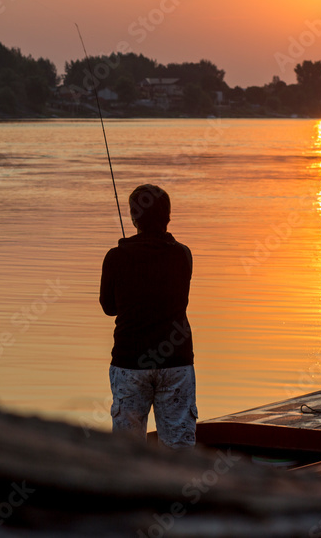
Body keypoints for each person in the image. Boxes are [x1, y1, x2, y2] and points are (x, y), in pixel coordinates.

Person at [99, 183, 196, 449]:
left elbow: (109, 307)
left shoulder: (115, 257)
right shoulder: (183, 254)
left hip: (130, 362)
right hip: (175, 362)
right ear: (168, 217)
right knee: (179, 448)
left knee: (127, 451)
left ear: (133, 217)